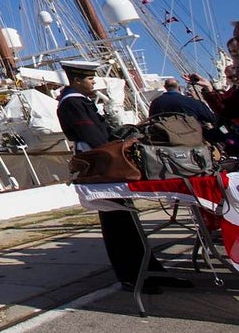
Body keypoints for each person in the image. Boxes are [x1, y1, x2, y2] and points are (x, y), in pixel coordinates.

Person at [56, 60, 190, 294]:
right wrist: (121, 148)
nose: (93, 83)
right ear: (77, 80)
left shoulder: (78, 101)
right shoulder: (73, 103)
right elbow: (95, 137)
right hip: (102, 168)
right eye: (90, 79)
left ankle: (149, 270)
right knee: (117, 222)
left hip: (107, 167)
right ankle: (132, 276)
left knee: (127, 220)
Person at [148, 77, 217, 127]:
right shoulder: (192, 102)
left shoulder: (155, 103)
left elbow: (152, 119)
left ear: (165, 87)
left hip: (167, 138)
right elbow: (211, 118)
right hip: (192, 136)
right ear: (179, 87)